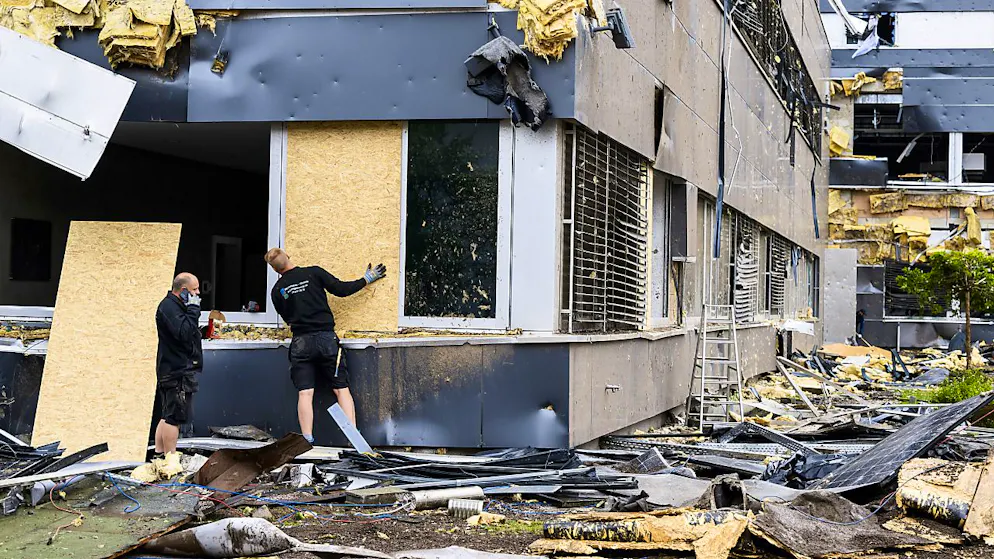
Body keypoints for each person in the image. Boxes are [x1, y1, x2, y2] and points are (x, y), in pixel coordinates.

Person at [264, 248, 386, 443]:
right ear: (288, 257)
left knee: (305, 393)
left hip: (301, 343)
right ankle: (353, 438)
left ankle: (307, 440)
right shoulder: (314, 272)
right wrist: (366, 279)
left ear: (275, 270)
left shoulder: (277, 290)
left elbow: (287, 318)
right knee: (341, 388)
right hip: (326, 340)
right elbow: (341, 290)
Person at [154, 273, 203, 456]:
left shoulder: (174, 306)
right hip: (176, 371)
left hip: (173, 368)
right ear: (183, 290)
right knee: (174, 418)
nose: (198, 293)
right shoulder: (169, 307)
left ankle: (159, 454)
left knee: (167, 414)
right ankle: (170, 458)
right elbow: (184, 333)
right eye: (194, 289)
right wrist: (193, 309)